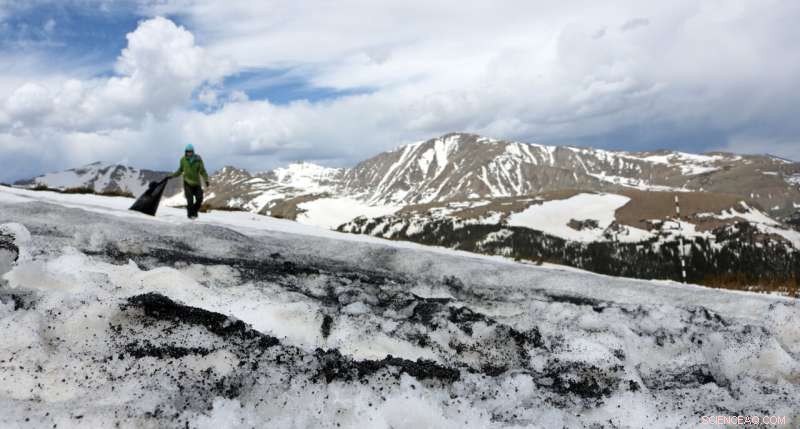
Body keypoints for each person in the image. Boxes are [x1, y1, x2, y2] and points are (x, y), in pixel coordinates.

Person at [171, 144, 210, 219]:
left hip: (196, 183)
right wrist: (172, 175)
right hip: (187, 183)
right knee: (190, 200)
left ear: (193, 152)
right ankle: (190, 216)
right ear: (185, 152)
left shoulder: (198, 160)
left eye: (190, 152)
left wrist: (206, 180)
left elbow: (202, 171)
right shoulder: (183, 160)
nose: (189, 153)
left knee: (199, 199)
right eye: (187, 152)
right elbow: (180, 170)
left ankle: (194, 212)